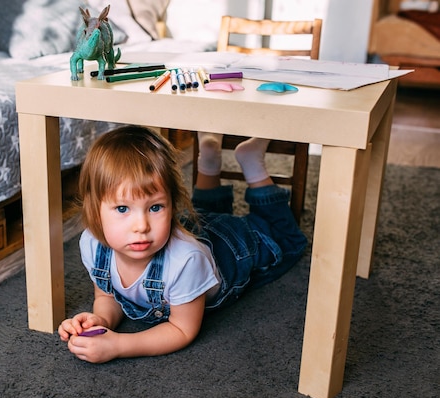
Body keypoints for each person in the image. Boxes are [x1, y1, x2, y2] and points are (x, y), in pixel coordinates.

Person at [58, 126, 307, 363]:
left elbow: (181, 329)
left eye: (155, 207)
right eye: (123, 208)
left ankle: (253, 164)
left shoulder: (185, 261)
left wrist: (119, 346)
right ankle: (208, 157)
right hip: (199, 231)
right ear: (94, 210)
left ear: (172, 204)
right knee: (201, 213)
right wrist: (100, 320)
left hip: (232, 248)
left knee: (287, 241)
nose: (141, 226)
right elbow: (108, 295)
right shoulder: (93, 245)